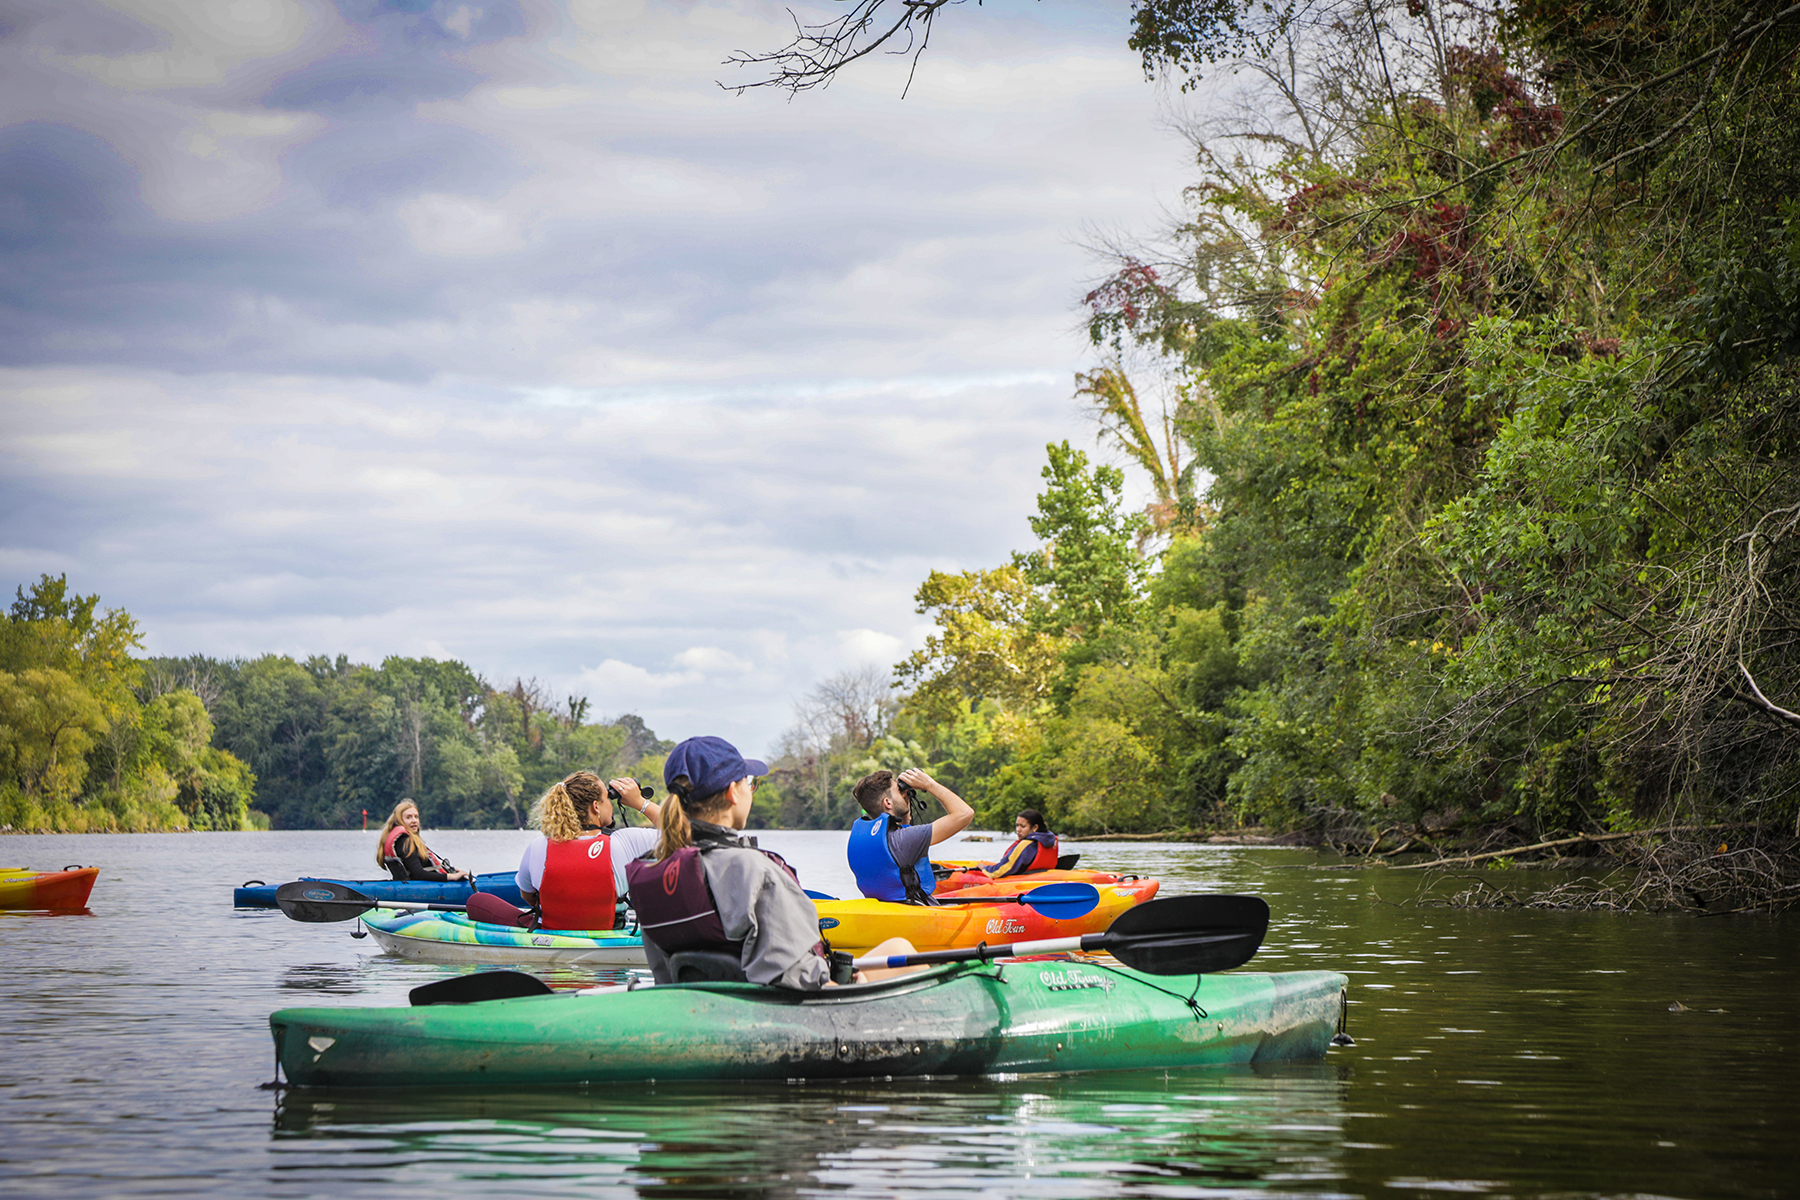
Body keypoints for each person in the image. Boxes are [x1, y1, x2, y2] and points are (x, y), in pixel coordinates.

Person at [626, 735, 917, 988]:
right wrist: (857, 982)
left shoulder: (651, 870)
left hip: (701, 1006)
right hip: (777, 1012)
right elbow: (803, 980)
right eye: (749, 783)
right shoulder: (757, 869)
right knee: (903, 953)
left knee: (896, 947)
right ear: (732, 792)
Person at [513, 772, 662, 930]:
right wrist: (640, 802)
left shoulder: (538, 846)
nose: (611, 805)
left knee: (485, 902)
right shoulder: (625, 842)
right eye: (607, 798)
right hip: (609, 935)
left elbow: (527, 896)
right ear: (596, 806)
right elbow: (685, 834)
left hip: (553, 934)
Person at [847, 767, 973, 904]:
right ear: (888, 803)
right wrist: (929, 784)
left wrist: (904, 809)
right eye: (898, 790)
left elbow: (900, 857)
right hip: (919, 912)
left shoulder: (868, 839)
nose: (904, 793)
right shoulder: (904, 840)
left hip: (890, 909)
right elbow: (965, 813)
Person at [375, 799, 470, 881]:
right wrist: (451, 877)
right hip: (419, 886)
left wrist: (453, 872)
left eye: (416, 816)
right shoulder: (406, 842)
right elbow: (418, 874)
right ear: (399, 821)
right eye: (408, 817)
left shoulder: (403, 840)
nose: (414, 820)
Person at [980, 809, 1059, 878]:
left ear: (1035, 827)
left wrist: (984, 868)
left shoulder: (1026, 844)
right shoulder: (1051, 841)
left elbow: (1000, 871)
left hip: (1023, 881)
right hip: (1041, 878)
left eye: (1023, 826)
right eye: (1017, 825)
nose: (1018, 829)